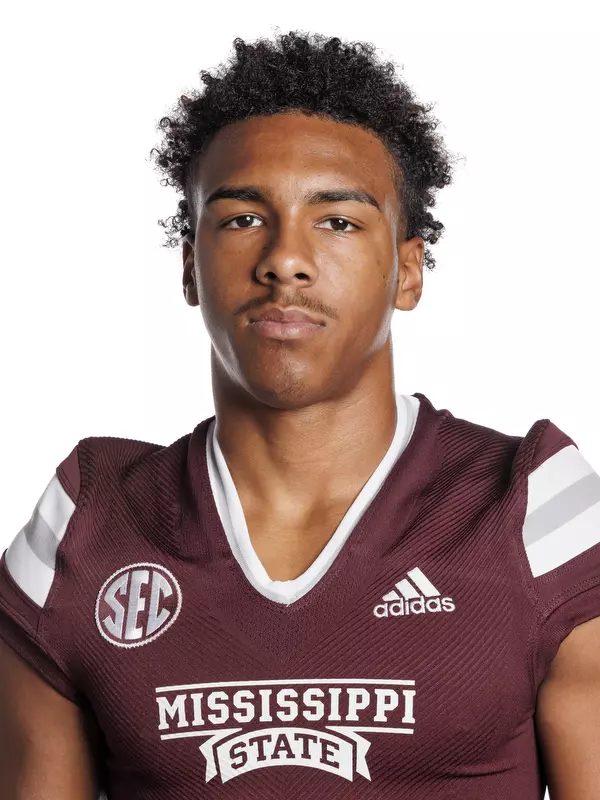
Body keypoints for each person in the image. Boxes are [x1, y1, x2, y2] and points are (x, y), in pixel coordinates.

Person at [0, 30, 598, 800]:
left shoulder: (532, 510)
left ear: (409, 271)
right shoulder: (85, 528)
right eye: (242, 218)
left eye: (338, 221)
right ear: (189, 266)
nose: (285, 258)